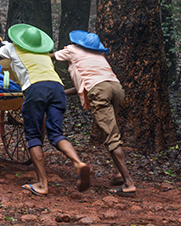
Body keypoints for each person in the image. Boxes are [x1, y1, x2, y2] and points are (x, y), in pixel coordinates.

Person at [0, 23, 90, 197]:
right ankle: (78, 162)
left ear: (19, 39)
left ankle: (42, 184)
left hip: (36, 89)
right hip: (58, 89)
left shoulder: (11, 49)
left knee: (33, 136)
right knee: (56, 134)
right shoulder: (43, 52)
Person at [52, 30, 136, 196]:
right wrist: (63, 92)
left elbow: (50, 57)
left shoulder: (72, 49)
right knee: (112, 134)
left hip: (100, 91)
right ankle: (119, 174)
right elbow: (88, 83)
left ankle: (129, 183)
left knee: (112, 138)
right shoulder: (98, 56)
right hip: (116, 88)